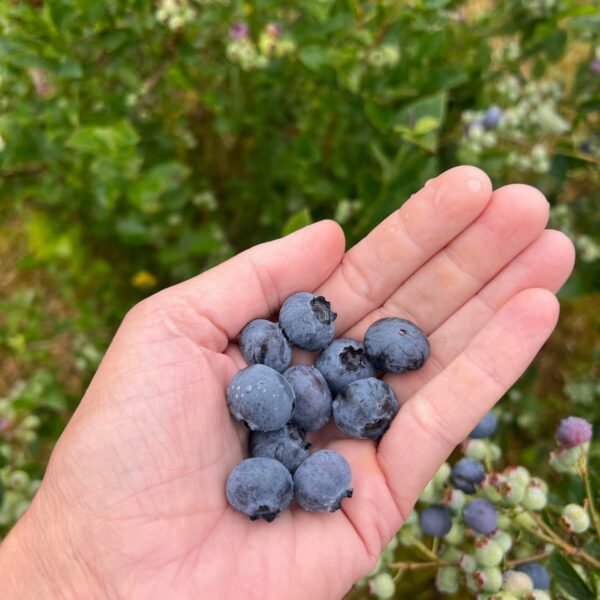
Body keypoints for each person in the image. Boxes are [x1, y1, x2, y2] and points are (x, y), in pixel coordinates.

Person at [0, 166, 575, 599]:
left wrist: (67, 574)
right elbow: (278, 420)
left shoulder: (314, 392)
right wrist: (68, 572)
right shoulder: (278, 428)